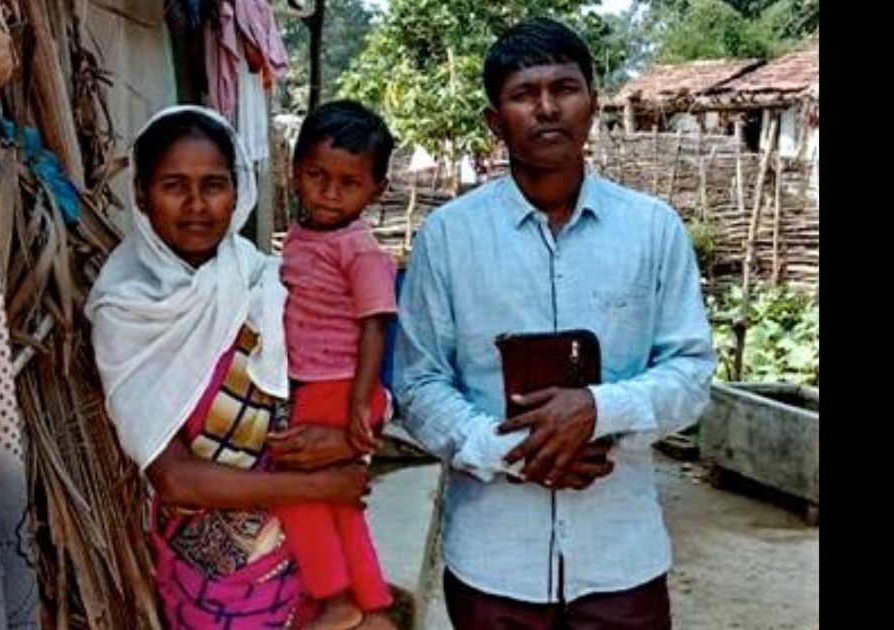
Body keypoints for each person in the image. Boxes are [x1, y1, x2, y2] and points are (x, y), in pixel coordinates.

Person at [393, 17, 716, 629]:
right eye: (523, 94)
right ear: (495, 121)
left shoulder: (652, 230)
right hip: (493, 564)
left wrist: (599, 408)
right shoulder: (448, 238)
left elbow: (692, 373)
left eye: (564, 88)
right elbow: (419, 382)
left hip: (621, 561)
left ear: (592, 104)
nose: (547, 108)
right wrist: (510, 449)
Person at [87, 105, 374, 629]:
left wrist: (353, 440)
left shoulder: (268, 281)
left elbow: (344, 374)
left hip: (314, 555)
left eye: (214, 184)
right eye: (175, 185)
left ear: (238, 192)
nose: (197, 205)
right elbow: (173, 477)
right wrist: (320, 486)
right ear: (144, 197)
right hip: (211, 574)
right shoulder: (126, 309)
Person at [276, 100, 399, 630]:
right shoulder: (303, 235)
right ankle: (370, 602)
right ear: (295, 168)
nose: (329, 192)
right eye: (317, 176)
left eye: (348, 183)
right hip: (319, 383)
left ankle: (333, 598)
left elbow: (376, 324)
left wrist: (357, 404)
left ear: (377, 189)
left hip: (341, 384)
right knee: (338, 501)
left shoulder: (360, 248)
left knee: (294, 487)